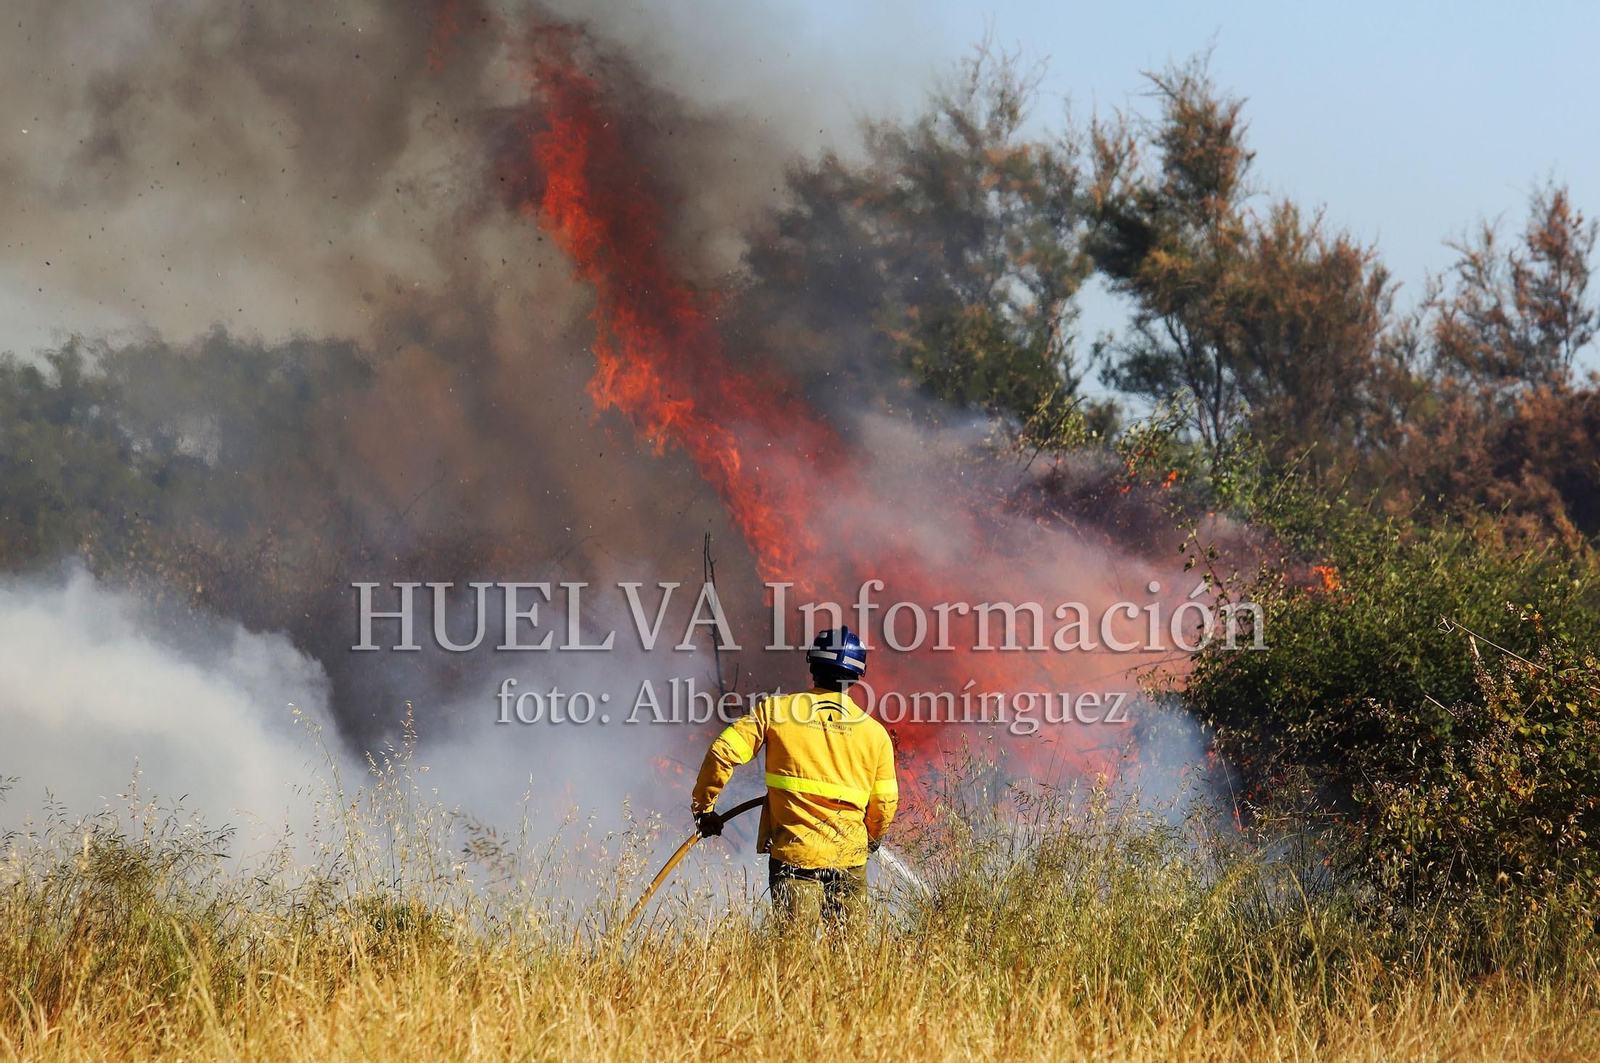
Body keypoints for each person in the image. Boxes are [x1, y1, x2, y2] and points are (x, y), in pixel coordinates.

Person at [690, 626, 898, 931]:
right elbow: (885, 803)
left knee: (793, 961)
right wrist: (869, 840)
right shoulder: (875, 734)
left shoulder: (775, 712)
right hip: (850, 861)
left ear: (812, 666)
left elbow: (723, 752)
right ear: (856, 677)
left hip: (795, 859)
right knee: (852, 966)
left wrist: (704, 809)